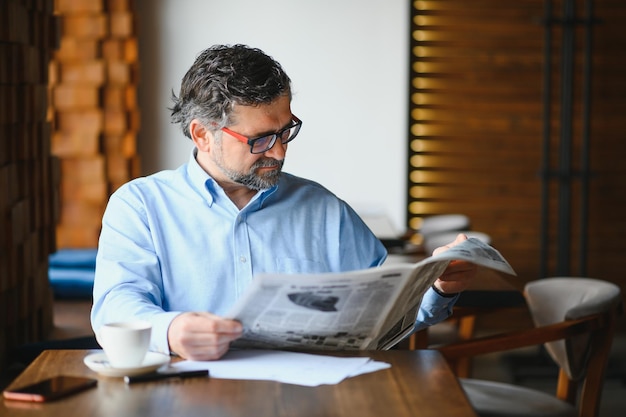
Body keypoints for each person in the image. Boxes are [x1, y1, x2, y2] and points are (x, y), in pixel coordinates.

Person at [91, 44, 477, 361]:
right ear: (202, 135)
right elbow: (116, 307)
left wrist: (437, 286)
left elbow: (386, 313)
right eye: (259, 139)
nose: (278, 152)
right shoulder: (139, 206)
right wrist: (172, 331)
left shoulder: (325, 210)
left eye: (285, 131)